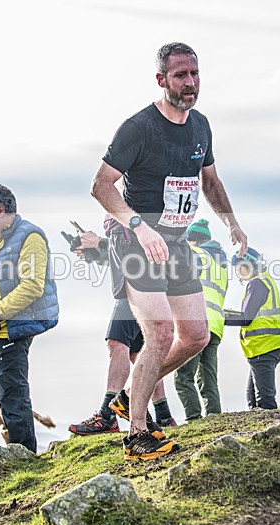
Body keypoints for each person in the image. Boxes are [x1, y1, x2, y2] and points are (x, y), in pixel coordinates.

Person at [90, 42, 247, 460]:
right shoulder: (138, 128)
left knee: (195, 335)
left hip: (176, 243)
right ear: (162, 80)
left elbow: (210, 183)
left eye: (195, 74)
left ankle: (129, 396)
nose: (190, 83)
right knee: (158, 334)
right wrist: (138, 224)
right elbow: (101, 185)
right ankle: (136, 435)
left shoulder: (201, 127)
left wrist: (231, 223)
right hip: (136, 242)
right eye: (181, 75)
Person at [0, 185, 59, 453]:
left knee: (14, 399)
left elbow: (32, 285)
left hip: (9, 329)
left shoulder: (29, 236)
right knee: (4, 399)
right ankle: (18, 457)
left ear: (0, 209)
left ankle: (25, 460)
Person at [67, 222, 176, 436]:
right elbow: (121, 255)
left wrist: (99, 242)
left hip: (140, 285)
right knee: (140, 353)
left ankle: (106, 416)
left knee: (117, 343)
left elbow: (138, 248)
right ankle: (163, 414)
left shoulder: (131, 204)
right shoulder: (121, 212)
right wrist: (96, 254)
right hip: (139, 285)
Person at [174, 219, 227, 421]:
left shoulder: (195, 255)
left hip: (196, 321)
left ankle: (193, 418)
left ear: (191, 240)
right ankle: (215, 417)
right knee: (208, 377)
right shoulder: (220, 265)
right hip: (215, 325)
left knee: (183, 375)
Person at [225, 248, 280, 410]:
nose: (238, 273)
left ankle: (275, 431)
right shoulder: (265, 280)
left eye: (239, 268)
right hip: (268, 346)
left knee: (265, 401)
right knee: (252, 397)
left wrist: (219, 318)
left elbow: (246, 318)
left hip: (263, 346)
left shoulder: (256, 284)